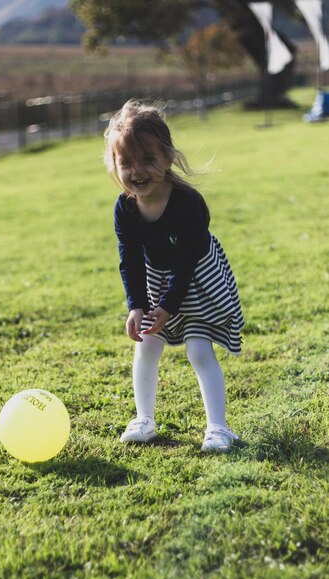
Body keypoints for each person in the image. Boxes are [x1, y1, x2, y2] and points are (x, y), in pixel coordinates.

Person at [104, 100, 244, 452]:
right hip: (157, 282)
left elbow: (186, 262)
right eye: (127, 162)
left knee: (198, 349)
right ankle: (144, 420)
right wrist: (136, 305)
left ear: (167, 158)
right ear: (114, 164)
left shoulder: (187, 203)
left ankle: (218, 428)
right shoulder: (125, 208)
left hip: (197, 281)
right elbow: (130, 260)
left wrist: (168, 306)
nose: (138, 171)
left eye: (148, 159)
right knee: (147, 343)